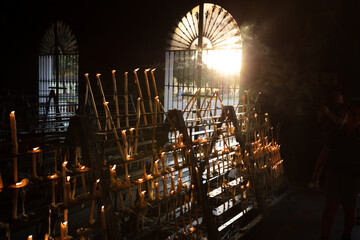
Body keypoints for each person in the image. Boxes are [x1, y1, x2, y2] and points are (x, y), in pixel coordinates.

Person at [312, 99, 360, 240]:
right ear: (346, 114)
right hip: (335, 175)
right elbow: (325, 153)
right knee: (331, 207)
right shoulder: (336, 134)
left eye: (358, 115)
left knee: (350, 209)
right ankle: (324, 236)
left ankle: (347, 235)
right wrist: (317, 171)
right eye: (352, 114)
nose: (355, 118)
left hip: (353, 177)